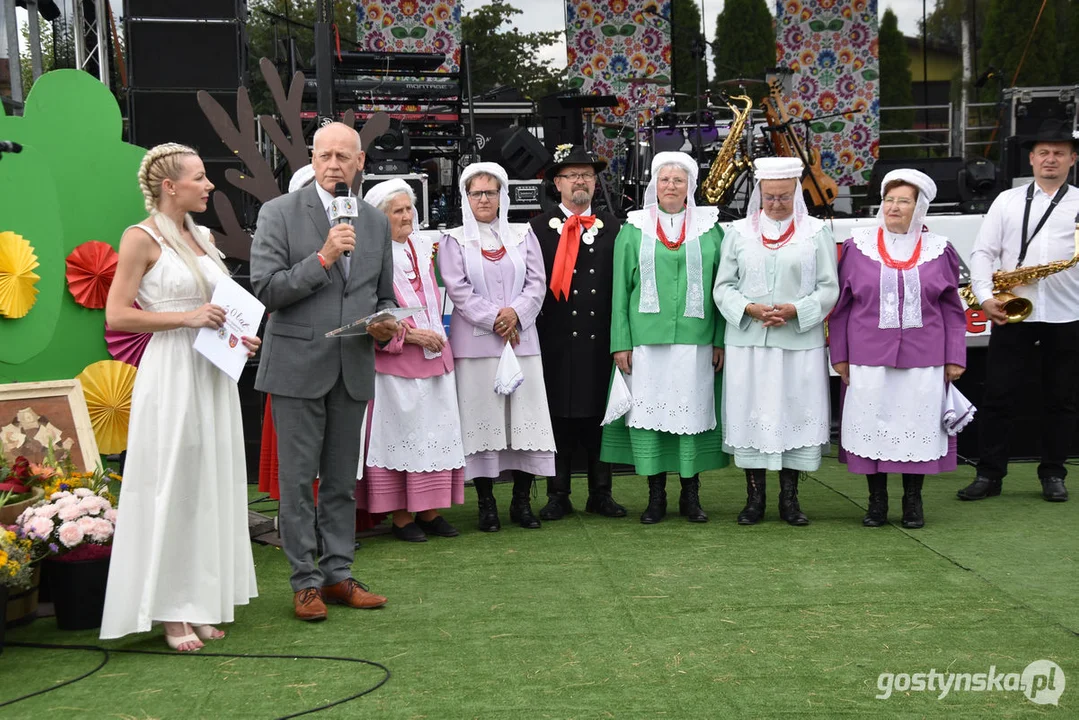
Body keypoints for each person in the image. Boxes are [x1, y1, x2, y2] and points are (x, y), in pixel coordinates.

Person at [100, 143, 258, 651]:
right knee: (170, 483)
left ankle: (201, 601)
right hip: (169, 372)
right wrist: (186, 318)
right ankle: (170, 611)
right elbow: (118, 315)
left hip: (212, 371)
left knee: (208, 482)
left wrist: (240, 336)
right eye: (199, 178)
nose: (209, 185)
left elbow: (216, 307)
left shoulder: (204, 237)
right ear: (170, 186)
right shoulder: (139, 239)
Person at [250, 122, 398, 621]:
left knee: (340, 481)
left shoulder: (376, 223)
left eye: (344, 156)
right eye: (325, 155)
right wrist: (324, 256)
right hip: (295, 367)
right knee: (296, 483)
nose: (334, 164)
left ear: (360, 163)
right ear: (312, 160)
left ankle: (338, 574)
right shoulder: (279, 213)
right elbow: (267, 290)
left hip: (352, 364)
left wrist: (385, 323)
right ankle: (304, 582)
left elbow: (383, 295)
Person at [829, 169, 967, 528]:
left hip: (925, 359)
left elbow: (953, 309)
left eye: (903, 201)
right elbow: (841, 307)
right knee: (872, 427)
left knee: (916, 430)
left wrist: (955, 357)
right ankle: (876, 503)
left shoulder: (940, 250)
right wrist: (839, 356)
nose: (893, 207)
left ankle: (912, 502)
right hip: (866, 357)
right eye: (889, 199)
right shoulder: (858, 247)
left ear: (918, 208)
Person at [600, 151, 728, 524]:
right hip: (644, 343)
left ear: (690, 185)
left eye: (679, 180)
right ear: (654, 184)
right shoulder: (633, 228)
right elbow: (620, 291)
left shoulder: (711, 228)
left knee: (691, 416)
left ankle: (691, 496)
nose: (671, 186)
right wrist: (619, 342)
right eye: (664, 179)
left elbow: (722, 289)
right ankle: (655, 497)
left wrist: (720, 339)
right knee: (649, 417)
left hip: (697, 342)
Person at [712, 157, 839, 526]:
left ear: (796, 193)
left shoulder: (816, 233)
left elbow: (829, 288)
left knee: (792, 416)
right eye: (770, 197)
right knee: (752, 417)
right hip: (748, 342)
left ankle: (790, 499)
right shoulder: (737, 232)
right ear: (760, 194)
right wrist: (749, 307)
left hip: (797, 342)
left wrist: (796, 310)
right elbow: (722, 287)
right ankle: (754, 500)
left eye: (784, 196)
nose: (777, 203)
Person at [960, 119, 1079, 503]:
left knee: (1061, 398)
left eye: (1059, 153)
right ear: (1030, 159)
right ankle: (990, 474)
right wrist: (984, 295)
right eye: (1043, 152)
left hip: (1068, 312)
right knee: (998, 395)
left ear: (1072, 160)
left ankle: (1053, 473)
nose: (1050, 159)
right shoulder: (1007, 201)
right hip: (1014, 312)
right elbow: (983, 253)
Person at [439, 162, 557, 531]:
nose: (485, 199)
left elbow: (538, 283)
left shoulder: (523, 235)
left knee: (525, 422)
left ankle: (522, 503)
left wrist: (516, 316)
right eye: (477, 193)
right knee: (484, 424)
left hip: (522, 342)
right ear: (466, 197)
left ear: (502, 196)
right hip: (476, 348)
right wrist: (497, 319)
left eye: (491, 192)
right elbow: (458, 290)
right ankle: (486, 504)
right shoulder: (454, 240)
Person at [357, 179, 465, 541]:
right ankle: (402, 516)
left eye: (409, 209)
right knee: (403, 437)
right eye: (397, 211)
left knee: (434, 434)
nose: (407, 216)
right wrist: (412, 335)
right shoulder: (368, 255)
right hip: (397, 362)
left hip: (435, 356)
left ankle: (430, 511)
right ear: (379, 218)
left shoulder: (421, 247)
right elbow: (369, 314)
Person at [529, 145, 626, 520]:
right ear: (557, 183)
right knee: (557, 416)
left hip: (600, 339)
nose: (580, 180)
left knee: (598, 417)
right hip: (555, 338)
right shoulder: (537, 229)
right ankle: (558, 493)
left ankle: (601, 492)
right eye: (571, 175)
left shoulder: (614, 227)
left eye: (586, 174)